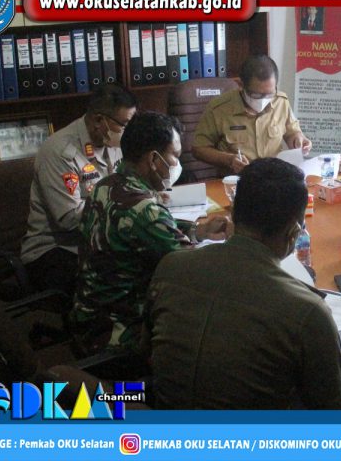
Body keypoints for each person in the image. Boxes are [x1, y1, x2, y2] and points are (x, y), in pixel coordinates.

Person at [149, 158, 341, 409]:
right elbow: (333, 415)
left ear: (233, 214)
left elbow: (150, 350)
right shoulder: (308, 311)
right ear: (293, 232)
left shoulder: (171, 267)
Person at [72, 111, 231, 355]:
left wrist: (198, 230)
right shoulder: (144, 210)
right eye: (175, 155)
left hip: (89, 316)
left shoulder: (107, 185)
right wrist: (241, 245)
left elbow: (147, 228)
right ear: (154, 159)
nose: (178, 164)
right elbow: (197, 270)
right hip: (119, 333)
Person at [21, 84, 137, 295]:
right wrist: (124, 203)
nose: (128, 131)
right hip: (55, 251)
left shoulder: (113, 143)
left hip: (99, 242)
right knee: (123, 280)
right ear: (99, 120)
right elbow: (69, 220)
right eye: (124, 124)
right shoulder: (60, 151)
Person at [192, 55, 312, 175]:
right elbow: (199, 149)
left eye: (270, 94)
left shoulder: (281, 101)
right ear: (241, 85)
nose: (263, 100)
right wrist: (229, 160)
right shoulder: (219, 108)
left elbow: (293, 133)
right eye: (256, 95)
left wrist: (299, 141)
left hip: (274, 178)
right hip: (237, 179)